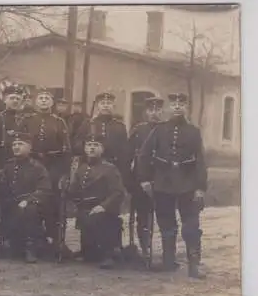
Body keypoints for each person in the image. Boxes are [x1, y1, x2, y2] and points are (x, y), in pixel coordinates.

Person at [137, 92, 208, 279]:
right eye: (174, 104)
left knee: (191, 224)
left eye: (181, 104)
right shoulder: (159, 130)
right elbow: (143, 155)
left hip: (188, 183)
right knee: (166, 222)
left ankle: (194, 264)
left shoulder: (194, 132)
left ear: (186, 108)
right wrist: (144, 179)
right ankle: (169, 261)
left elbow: (200, 160)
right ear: (168, 108)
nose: (177, 107)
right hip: (163, 182)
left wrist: (200, 187)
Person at [18, 88, 72, 258]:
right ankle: (31, 242)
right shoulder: (27, 120)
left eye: (46, 98)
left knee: (53, 205)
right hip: (30, 167)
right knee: (31, 203)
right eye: (40, 98)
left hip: (53, 168)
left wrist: (65, 174)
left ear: (52, 103)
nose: (43, 101)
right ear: (35, 102)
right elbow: (18, 143)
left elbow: (66, 150)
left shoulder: (59, 122)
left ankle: (56, 242)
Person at [68, 129, 125, 269]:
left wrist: (103, 206)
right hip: (85, 209)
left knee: (101, 219)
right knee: (89, 255)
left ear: (102, 149)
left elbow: (118, 192)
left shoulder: (110, 169)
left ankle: (109, 254)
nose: (91, 148)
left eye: (95, 145)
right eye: (89, 145)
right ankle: (90, 250)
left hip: (104, 210)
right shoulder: (81, 168)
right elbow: (74, 191)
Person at [0, 132, 52, 263]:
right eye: (14, 144)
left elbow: (44, 189)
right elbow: (2, 186)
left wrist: (27, 200)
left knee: (30, 209)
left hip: (31, 205)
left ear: (29, 147)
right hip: (11, 204)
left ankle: (31, 247)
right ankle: (8, 241)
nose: (16, 147)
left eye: (20, 144)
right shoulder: (8, 166)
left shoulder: (38, 167)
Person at [125, 96, 164, 261]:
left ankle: (167, 251)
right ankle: (144, 248)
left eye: (157, 110)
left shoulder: (167, 129)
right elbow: (127, 155)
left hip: (162, 178)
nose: (154, 114)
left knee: (163, 214)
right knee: (142, 214)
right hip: (141, 178)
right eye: (151, 110)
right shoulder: (138, 130)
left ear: (162, 111)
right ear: (145, 112)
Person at [74, 92, 128, 180]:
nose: (105, 106)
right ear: (97, 106)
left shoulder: (120, 126)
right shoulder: (87, 124)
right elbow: (77, 144)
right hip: (92, 167)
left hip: (114, 166)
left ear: (113, 106)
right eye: (102, 103)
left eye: (109, 103)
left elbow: (125, 151)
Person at [0, 84, 25, 160]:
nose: (15, 101)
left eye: (18, 99)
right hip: (4, 156)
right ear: (5, 100)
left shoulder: (26, 118)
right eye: (12, 98)